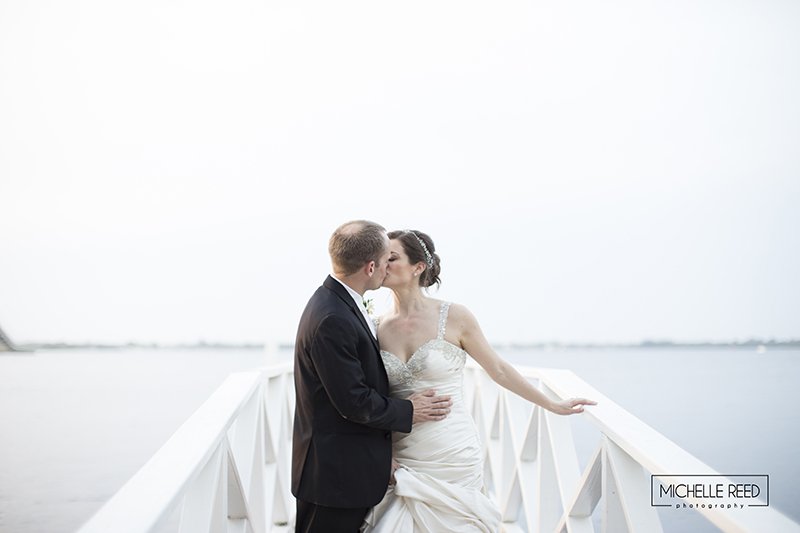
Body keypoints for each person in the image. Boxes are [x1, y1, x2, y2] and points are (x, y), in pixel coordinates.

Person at [362, 229, 597, 532]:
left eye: (391, 258)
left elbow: (497, 369)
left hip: (451, 449)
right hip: (403, 450)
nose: (382, 264)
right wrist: (384, 453)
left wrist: (552, 404)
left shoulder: (455, 316)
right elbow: (370, 395)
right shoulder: (376, 325)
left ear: (418, 267)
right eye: (382, 258)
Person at [292, 220, 454, 533]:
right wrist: (410, 410)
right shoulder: (332, 318)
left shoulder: (340, 304)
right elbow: (353, 401)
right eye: (384, 261)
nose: (386, 268)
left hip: (345, 468)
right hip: (334, 477)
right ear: (370, 267)